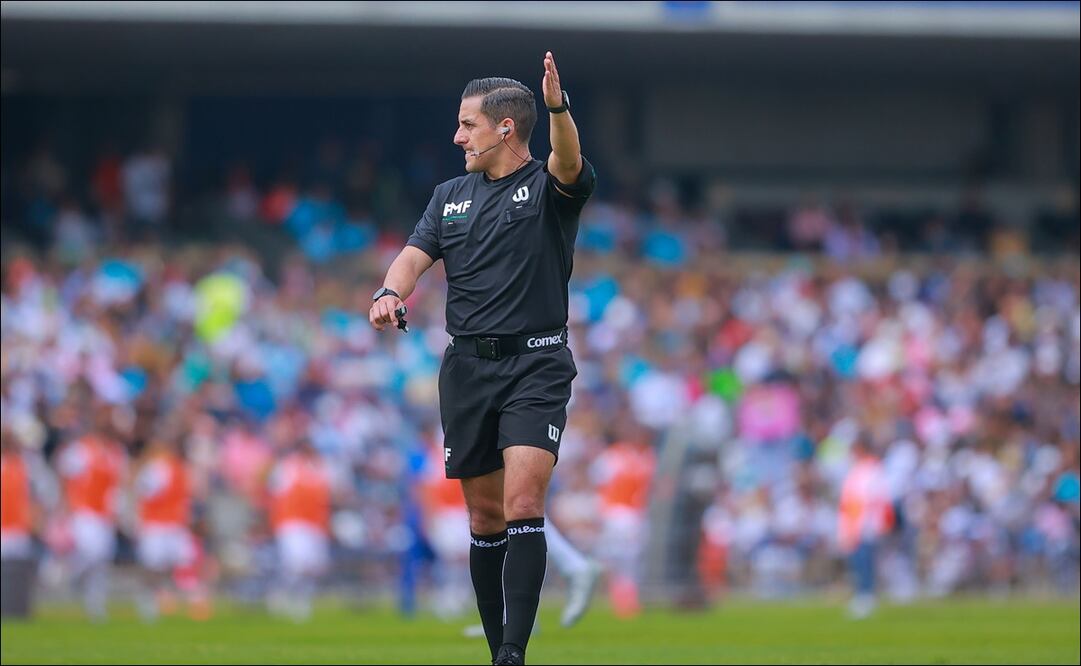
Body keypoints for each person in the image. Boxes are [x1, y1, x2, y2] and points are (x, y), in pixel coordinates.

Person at [370, 51, 595, 665]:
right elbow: (413, 256)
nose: (457, 136)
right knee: (483, 515)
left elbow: (569, 159)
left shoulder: (548, 188)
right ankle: (499, 647)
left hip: (537, 364)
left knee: (524, 502)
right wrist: (390, 291)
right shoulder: (449, 196)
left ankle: (513, 653)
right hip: (466, 368)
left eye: (467, 124)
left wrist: (557, 107)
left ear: (504, 128)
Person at [837, 434, 894, 619]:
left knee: (865, 560)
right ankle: (863, 594)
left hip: (866, 524)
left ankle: (866, 595)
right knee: (859, 561)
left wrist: (860, 526)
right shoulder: (860, 470)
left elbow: (869, 501)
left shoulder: (872, 470)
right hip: (857, 525)